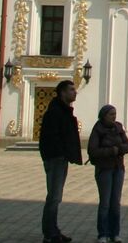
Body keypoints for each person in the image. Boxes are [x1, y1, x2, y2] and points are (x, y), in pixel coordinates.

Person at [40, 80, 83, 243]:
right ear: (62, 93)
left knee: (56, 197)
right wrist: (60, 154)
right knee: (54, 197)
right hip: (56, 159)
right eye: (71, 90)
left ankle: (53, 230)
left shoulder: (63, 111)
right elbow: (50, 137)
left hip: (60, 158)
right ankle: (50, 233)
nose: (75, 92)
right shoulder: (55, 112)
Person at [87, 104, 128, 243]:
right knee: (105, 202)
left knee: (115, 202)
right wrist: (111, 151)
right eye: (111, 114)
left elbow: (127, 145)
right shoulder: (98, 129)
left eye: (115, 114)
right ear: (104, 115)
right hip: (104, 168)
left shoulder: (118, 127)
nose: (114, 116)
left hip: (118, 168)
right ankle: (103, 233)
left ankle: (115, 233)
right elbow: (92, 150)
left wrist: (119, 149)